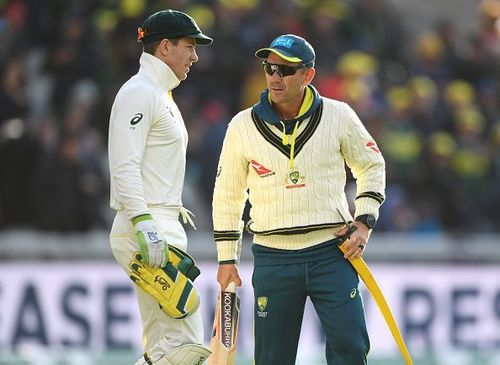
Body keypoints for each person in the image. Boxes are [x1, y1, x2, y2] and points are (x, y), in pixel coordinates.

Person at [212, 34, 386, 365]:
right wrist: (226, 257)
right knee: (271, 358)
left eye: (286, 70)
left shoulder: (338, 115)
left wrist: (364, 221)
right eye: (270, 68)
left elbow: (372, 164)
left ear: (308, 75)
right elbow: (228, 195)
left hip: (331, 253)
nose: (275, 77)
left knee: (350, 347)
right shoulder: (242, 126)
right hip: (273, 257)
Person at [108, 10, 213, 365]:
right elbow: (124, 163)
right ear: (166, 47)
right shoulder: (139, 92)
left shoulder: (158, 94)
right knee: (184, 349)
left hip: (159, 225)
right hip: (149, 227)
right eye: (190, 46)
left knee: (165, 348)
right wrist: (142, 222)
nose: (195, 56)